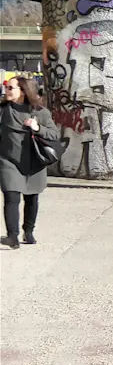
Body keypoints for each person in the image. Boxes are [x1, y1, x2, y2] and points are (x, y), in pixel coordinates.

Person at [1, 74, 58, 249]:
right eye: (6, 87)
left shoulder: (40, 112)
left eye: (11, 88)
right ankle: (12, 237)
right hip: (8, 161)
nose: (7, 91)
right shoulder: (3, 110)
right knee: (11, 197)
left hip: (34, 162)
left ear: (23, 92)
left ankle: (29, 231)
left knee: (32, 199)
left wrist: (37, 127)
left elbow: (54, 134)